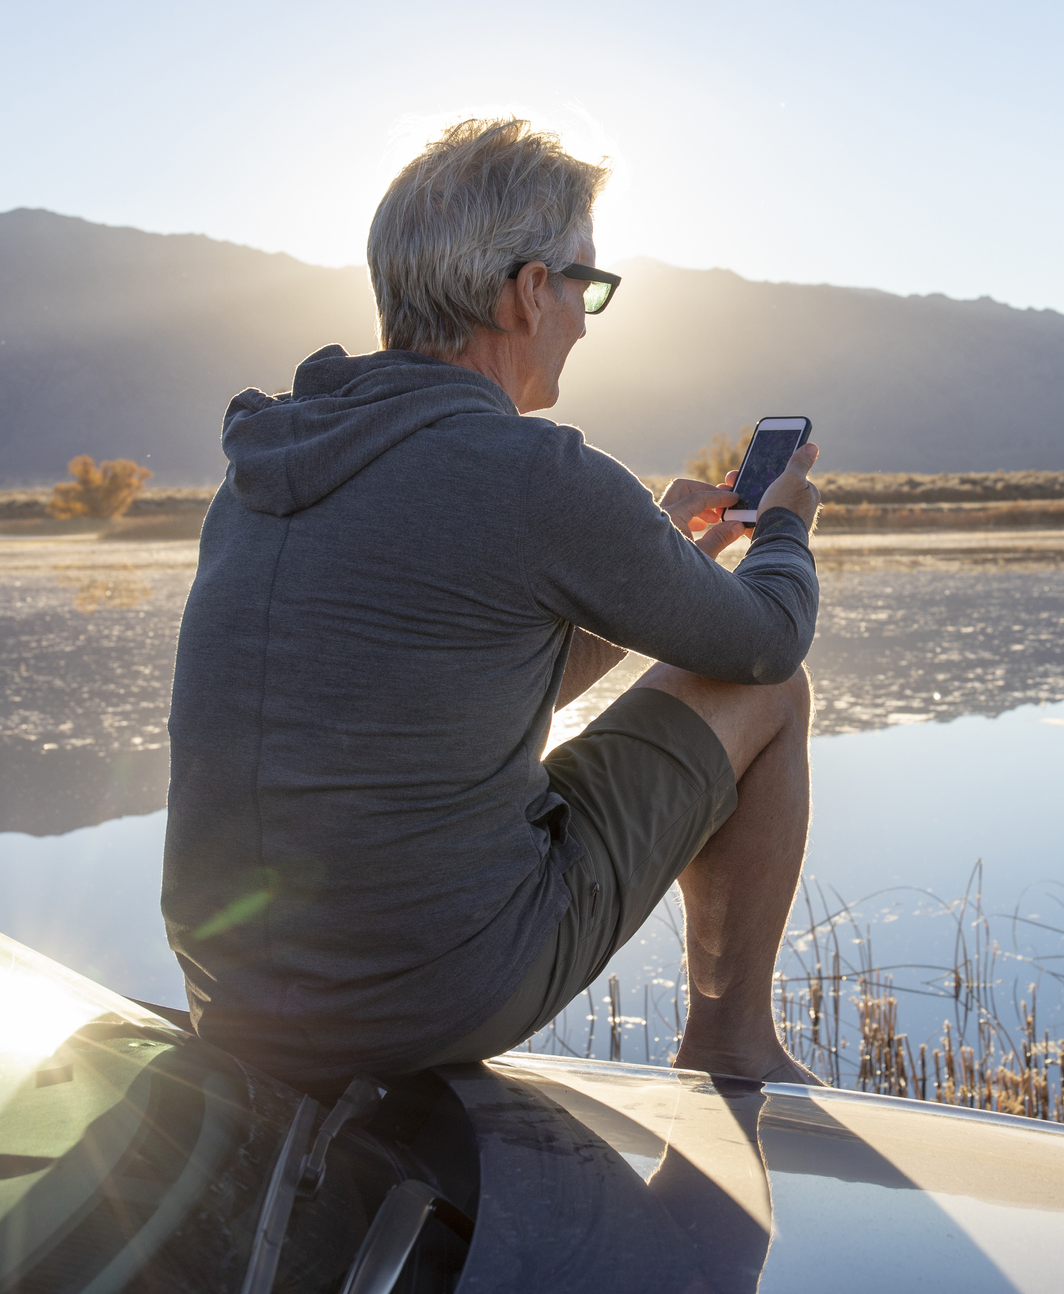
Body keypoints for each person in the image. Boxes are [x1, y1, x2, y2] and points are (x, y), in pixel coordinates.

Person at [162, 117, 823, 1091]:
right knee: (773, 693)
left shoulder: (273, 462)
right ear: (527, 291)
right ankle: (731, 1045)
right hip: (434, 992)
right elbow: (765, 641)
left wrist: (659, 552)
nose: (589, 319)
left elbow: (463, 688)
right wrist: (784, 528)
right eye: (586, 285)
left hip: (232, 992)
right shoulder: (530, 470)